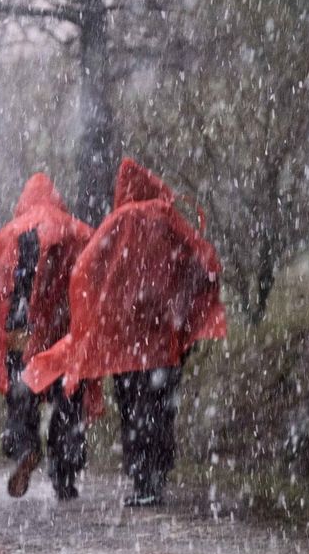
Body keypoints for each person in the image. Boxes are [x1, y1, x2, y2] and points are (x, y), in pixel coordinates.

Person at [23, 158, 227, 506]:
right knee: (161, 407)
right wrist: (183, 310)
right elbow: (205, 262)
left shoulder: (119, 223)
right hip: (164, 341)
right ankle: (157, 475)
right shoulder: (169, 221)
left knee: (134, 409)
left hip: (126, 345)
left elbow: (87, 271)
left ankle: (141, 478)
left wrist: (96, 318)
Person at [0, 173, 95, 500]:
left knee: (21, 396)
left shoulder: (13, 233)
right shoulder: (79, 232)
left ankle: (25, 446)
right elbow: (96, 272)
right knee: (68, 402)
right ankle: (66, 474)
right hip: (66, 334)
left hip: (23, 332)